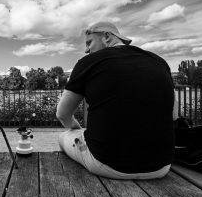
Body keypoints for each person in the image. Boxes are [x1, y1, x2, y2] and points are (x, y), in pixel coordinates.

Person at [56, 21, 176, 179]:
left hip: (108, 164)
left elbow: (62, 115)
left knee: (63, 137)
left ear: (107, 37)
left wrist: (75, 129)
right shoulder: (159, 62)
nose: (86, 50)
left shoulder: (89, 62)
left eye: (89, 42)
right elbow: (174, 115)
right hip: (161, 166)